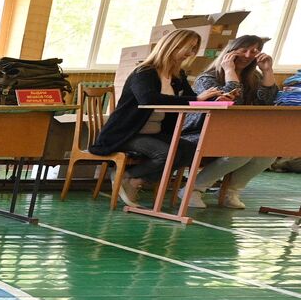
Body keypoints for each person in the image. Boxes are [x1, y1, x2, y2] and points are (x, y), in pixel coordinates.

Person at [90, 28, 231, 207]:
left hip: (154, 133)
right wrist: (196, 99)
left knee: (190, 151)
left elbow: (190, 98)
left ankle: (136, 179)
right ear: (171, 46)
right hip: (127, 133)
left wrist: (215, 99)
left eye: (194, 48)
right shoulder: (144, 72)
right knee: (165, 154)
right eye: (187, 47)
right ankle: (129, 177)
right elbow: (148, 99)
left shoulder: (177, 75)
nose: (190, 53)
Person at [177, 34, 280, 209]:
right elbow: (230, 102)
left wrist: (267, 72)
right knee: (240, 151)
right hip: (200, 132)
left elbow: (267, 101)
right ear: (230, 52)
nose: (248, 55)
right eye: (243, 50)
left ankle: (230, 191)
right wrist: (229, 71)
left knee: (267, 153)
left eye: (254, 51)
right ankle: (192, 189)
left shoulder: (253, 77)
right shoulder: (207, 78)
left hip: (237, 133)